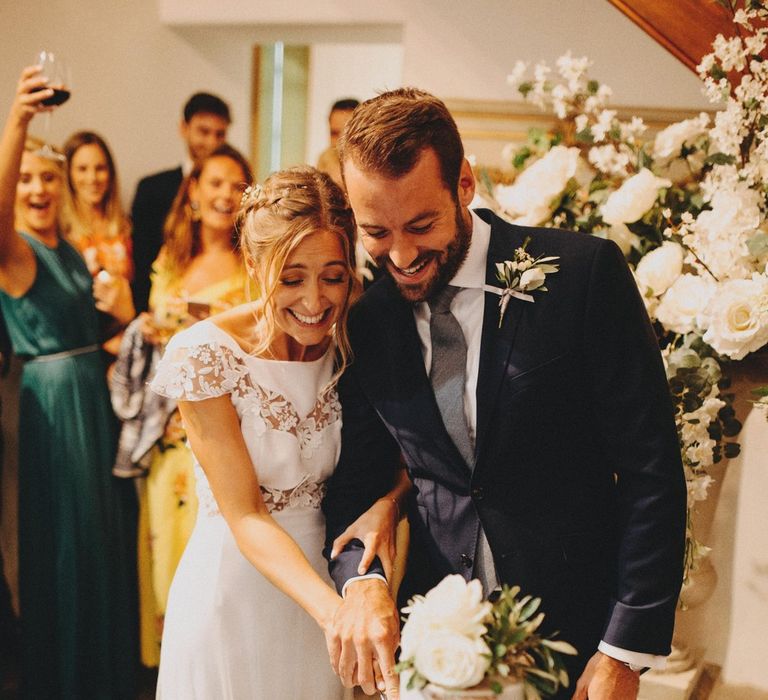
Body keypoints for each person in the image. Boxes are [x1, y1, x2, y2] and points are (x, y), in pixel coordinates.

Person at [322, 88, 687, 700]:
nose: (403, 255)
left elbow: (651, 470)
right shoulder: (368, 319)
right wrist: (364, 583)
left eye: (422, 225)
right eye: (377, 233)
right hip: (433, 649)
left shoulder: (583, 275)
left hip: (575, 642)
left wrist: (623, 648)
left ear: (464, 184)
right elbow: (358, 482)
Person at [148, 166, 405, 698]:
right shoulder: (204, 355)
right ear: (254, 264)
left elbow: (406, 457)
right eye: (291, 279)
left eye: (333, 276)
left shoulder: (357, 341)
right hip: (236, 590)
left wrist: (391, 502)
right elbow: (245, 515)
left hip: (332, 578)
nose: (314, 302)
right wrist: (336, 616)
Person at [0, 65, 138, 699]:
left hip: (92, 396)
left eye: (47, 177)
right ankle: (66, 679)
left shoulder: (74, 252)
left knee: (97, 542)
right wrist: (20, 121)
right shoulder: (16, 254)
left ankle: (103, 673)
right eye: (26, 178)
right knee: (62, 541)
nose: (38, 188)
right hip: (50, 408)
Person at [134, 143, 253, 667]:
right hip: (166, 439)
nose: (226, 193)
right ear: (194, 192)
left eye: (237, 184)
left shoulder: (256, 267)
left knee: (215, 575)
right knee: (167, 568)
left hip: (226, 438)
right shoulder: (170, 259)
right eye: (216, 182)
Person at [131, 91, 231, 313]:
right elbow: (141, 264)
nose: (212, 142)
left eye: (220, 134)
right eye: (203, 132)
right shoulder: (152, 189)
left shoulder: (235, 193)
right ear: (184, 129)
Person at [63, 130, 133, 358]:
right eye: (82, 169)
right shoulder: (61, 232)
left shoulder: (126, 228)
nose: (92, 178)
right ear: (68, 174)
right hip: (82, 347)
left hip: (126, 343)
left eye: (100, 168)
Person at [316, 98, 359, 188]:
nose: (340, 143)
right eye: (334, 134)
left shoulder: (374, 166)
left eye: (346, 135)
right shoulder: (325, 160)